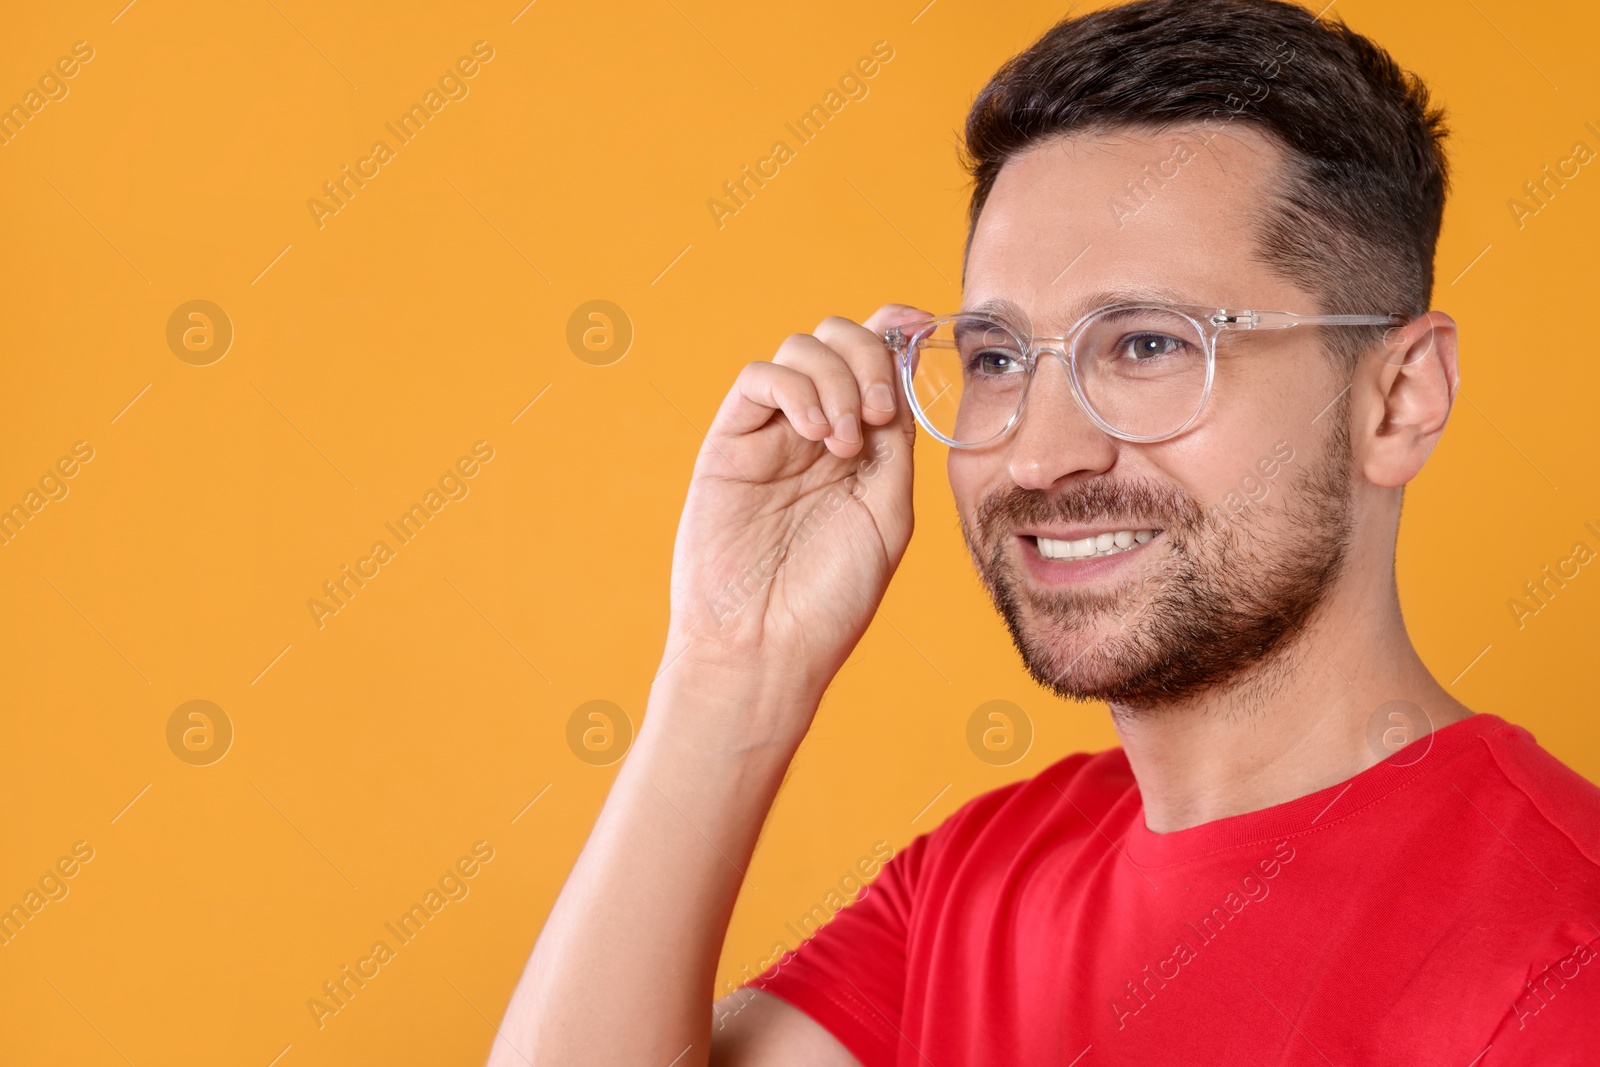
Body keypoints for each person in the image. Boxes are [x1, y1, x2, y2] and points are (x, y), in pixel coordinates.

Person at [488, 1, 1600, 1063]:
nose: (1036, 454)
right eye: (997, 358)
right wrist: (732, 665)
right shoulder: (977, 877)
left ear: (1397, 398)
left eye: (1151, 344)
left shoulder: (1565, 959)